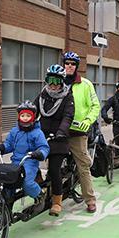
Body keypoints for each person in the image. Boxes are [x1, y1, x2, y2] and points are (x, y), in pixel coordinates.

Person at [0, 101, 50, 211]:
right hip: (16, 162)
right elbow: (9, 144)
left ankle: (40, 195)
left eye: (28, 115)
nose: (25, 118)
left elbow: (44, 147)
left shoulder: (37, 133)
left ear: (33, 117)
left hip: (30, 162)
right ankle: (6, 207)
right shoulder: (15, 131)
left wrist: (39, 153)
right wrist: (1, 148)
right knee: (7, 181)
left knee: (27, 183)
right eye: (23, 115)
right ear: (19, 116)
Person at [62, 51, 101, 213]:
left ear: (76, 66)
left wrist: (87, 121)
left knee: (83, 166)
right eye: (67, 63)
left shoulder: (85, 84)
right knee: (52, 164)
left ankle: (90, 200)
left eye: (73, 64)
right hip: (60, 131)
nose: (70, 66)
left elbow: (95, 106)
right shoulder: (57, 81)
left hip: (78, 132)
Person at [34, 65, 75, 216]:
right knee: (29, 162)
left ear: (62, 81)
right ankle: (40, 188)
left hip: (58, 139)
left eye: (56, 80)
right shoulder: (43, 94)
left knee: (54, 170)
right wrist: (25, 120)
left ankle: (57, 202)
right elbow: (33, 110)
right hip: (42, 137)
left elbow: (68, 116)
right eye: (50, 80)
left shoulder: (68, 97)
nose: (53, 84)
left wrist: (61, 131)